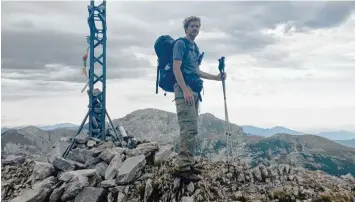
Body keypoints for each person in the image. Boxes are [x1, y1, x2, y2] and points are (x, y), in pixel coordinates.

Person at [171, 16, 227, 182]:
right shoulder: (180, 44)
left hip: (193, 92)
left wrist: (216, 78)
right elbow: (176, 68)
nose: (195, 28)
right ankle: (182, 169)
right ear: (186, 28)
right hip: (185, 92)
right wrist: (185, 90)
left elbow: (196, 71)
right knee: (188, 129)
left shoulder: (194, 47)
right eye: (192, 26)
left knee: (193, 129)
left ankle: (189, 163)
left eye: (197, 26)